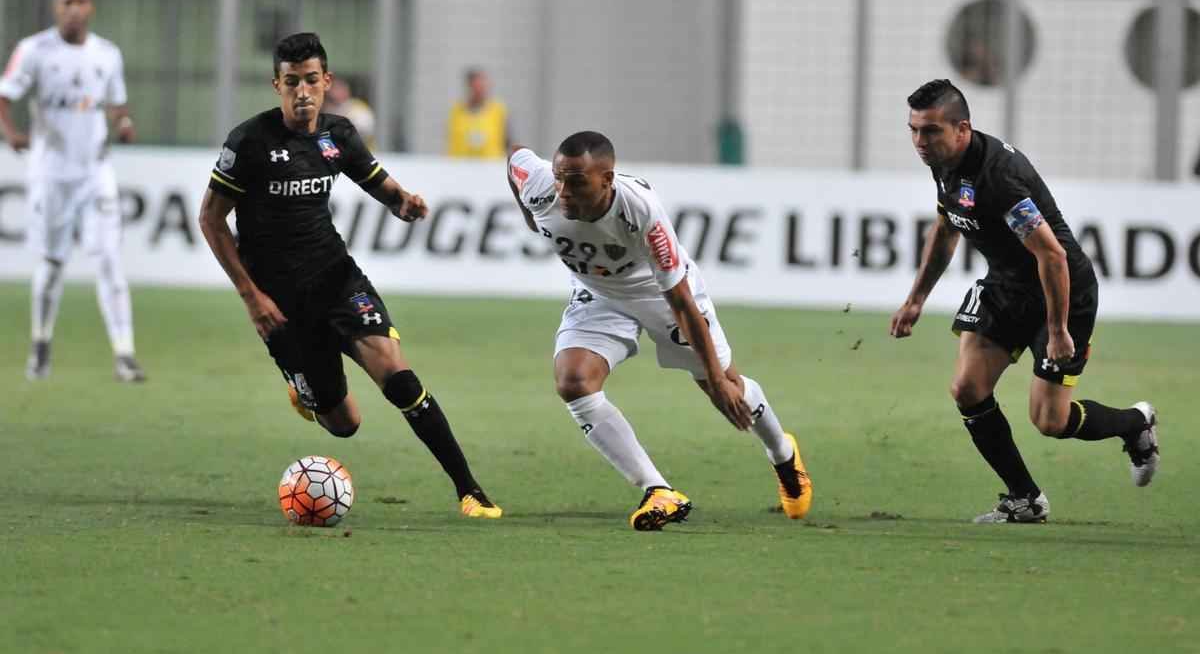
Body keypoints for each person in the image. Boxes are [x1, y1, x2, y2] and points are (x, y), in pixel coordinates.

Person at [198, 32, 501, 520]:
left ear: (327, 82)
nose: (303, 92)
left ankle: (469, 489)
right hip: (279, 304)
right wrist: (251, 296)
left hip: (338, 280)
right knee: (345, 424)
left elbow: (376, 181)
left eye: (311, 81)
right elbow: (211, 220)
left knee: (397, 376)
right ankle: (308, 396)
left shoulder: (337, 136)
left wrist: (403, 201)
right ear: (276, 84)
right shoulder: (249, 142)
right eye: (292, 82)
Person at [506, 131, 812, 530]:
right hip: (599, 294)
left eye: (577, 181)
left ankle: (783, 454)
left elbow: (682, 302)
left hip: (658, 293)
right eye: (561, 177)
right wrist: (531, 218)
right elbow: (515, 159)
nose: (564, 191)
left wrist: (717, 378)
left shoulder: (641, 213)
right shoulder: (542, 187)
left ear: (607, 179)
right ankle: (658, 490)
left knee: (725, 389)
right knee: (574, 380)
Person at [890, 78, 1159, 523]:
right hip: (1005, 284)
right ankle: (1025, 498)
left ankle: (1135, 423)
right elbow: (946, 228)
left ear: (963, 129)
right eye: (914, 130)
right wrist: (916, 299)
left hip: (1061, 290)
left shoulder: (1000, 179)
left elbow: (1051, 255)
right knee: (967, 389)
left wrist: (1057, 331)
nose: (920, 141)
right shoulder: (943, 161)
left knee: (1050, 420)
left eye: (931, 131)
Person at [0, 0, 146, 382]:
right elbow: (4, 96)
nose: (74, 9)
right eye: (67, 3)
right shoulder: (34, 50)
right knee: (51, 263)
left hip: (96, 173)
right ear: (55, 7)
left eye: (81, 2)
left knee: (110, 261)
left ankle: (124, 353)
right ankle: (41, 342)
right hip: (51, 175)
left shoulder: (107, 54)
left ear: (91, 7)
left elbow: (116, 104)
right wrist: (10, 133)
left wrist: (125, 123)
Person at [446, 67, 515, 159]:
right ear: (469, 87)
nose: (480, 90)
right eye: (476, 86)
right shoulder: (457, 111)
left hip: (490, 166)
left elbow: (508, 141)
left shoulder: (498, 111)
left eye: (483, 86)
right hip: (461, 166)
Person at [323, 76, 376, 150]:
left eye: (339, 89)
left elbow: (364, 130)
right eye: (334, 89)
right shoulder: (328, 109)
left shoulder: (357, 107)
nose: (335, 93)